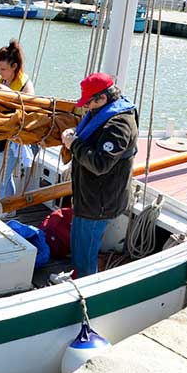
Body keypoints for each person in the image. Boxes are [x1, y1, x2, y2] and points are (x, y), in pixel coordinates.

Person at [60, 73, 138, 278]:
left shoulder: (119, 125)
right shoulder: (101, 112)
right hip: (88, 197)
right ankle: (77, 276)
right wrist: (74, 134)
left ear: (102, 98)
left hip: (100, 201)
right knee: (79, 244)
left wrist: (73, 143)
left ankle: (85, 288)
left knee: (86, 252)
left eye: (88, 103)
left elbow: (100, 163)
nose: (86, 108)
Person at [0, 40, 36, 218]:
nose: (0, 73)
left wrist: (7, 93)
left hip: (13, 140)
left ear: (14, 66)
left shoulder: (25, 84)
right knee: (4, 178)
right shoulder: (0, 80)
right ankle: (11, 211)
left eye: (3, 69)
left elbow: (29, 108)